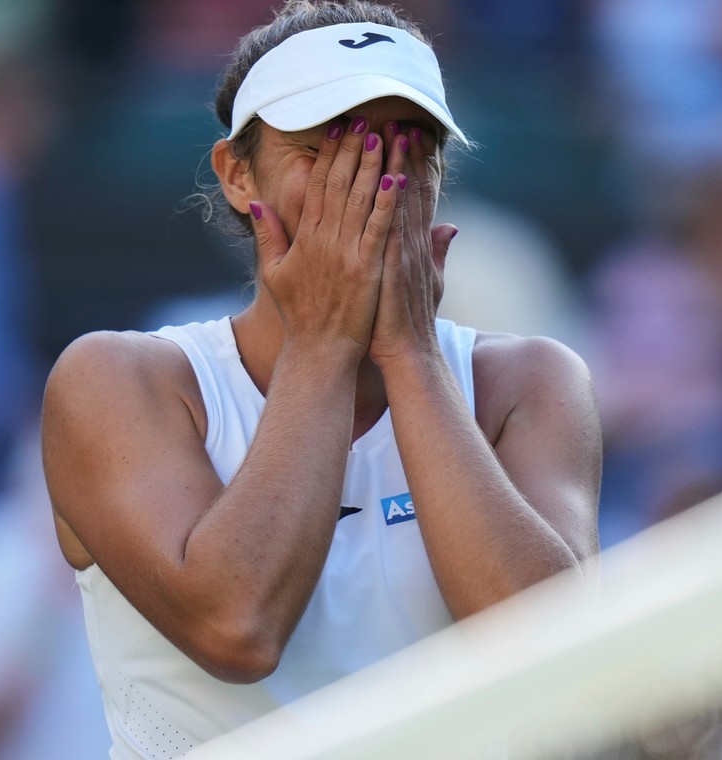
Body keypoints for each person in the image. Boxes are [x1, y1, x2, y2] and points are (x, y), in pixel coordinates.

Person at [39, 2, 602, 757]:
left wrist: (412, 355)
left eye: (408, 150)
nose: (372, 186)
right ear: (239, 175)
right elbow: (235, 627)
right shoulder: (116, 378)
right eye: (326, 151)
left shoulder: (530, 380)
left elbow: (556, 659)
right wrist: (325, 342)